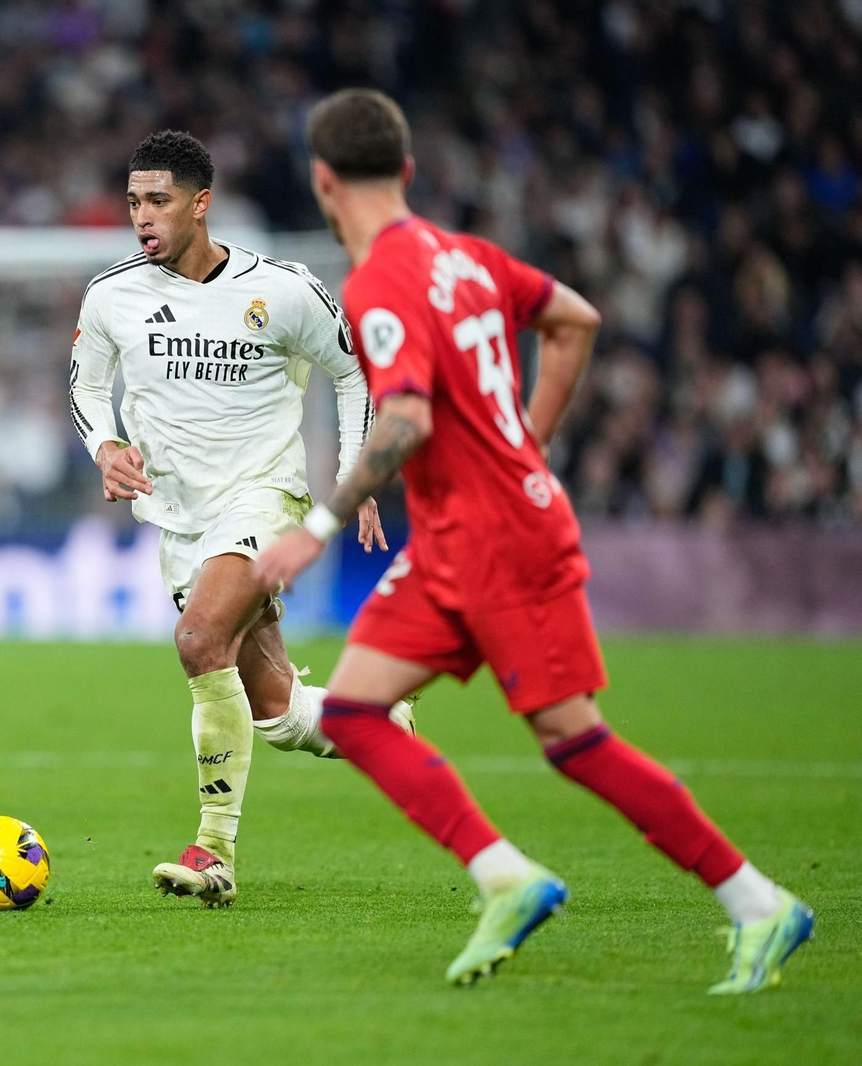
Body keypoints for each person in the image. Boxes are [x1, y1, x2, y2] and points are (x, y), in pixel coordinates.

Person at [254, 89, 812, 992]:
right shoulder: (464, 258)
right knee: (354, 712)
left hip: (498, 540)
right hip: (458, 536)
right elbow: (574, 320)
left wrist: (317, 527)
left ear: (323, 182)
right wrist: (529, 438)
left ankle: (758, 903)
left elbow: (401, 417)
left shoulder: (385, 277)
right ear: (406, 170)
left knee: (571, 737)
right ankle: (505, 877)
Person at [68, 130, 413, 908]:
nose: (141, 217)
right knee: (276, 711)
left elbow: (354, 369)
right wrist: (105, 445)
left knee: (198, 640)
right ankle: (378, 719)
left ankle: (214, 850)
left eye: (157, 201)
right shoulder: (113, 294)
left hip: (266, 499)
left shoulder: (283, 290)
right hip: (179, 519)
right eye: (132, 202)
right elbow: (86, 388)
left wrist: (355, 478)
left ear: (201, 203)